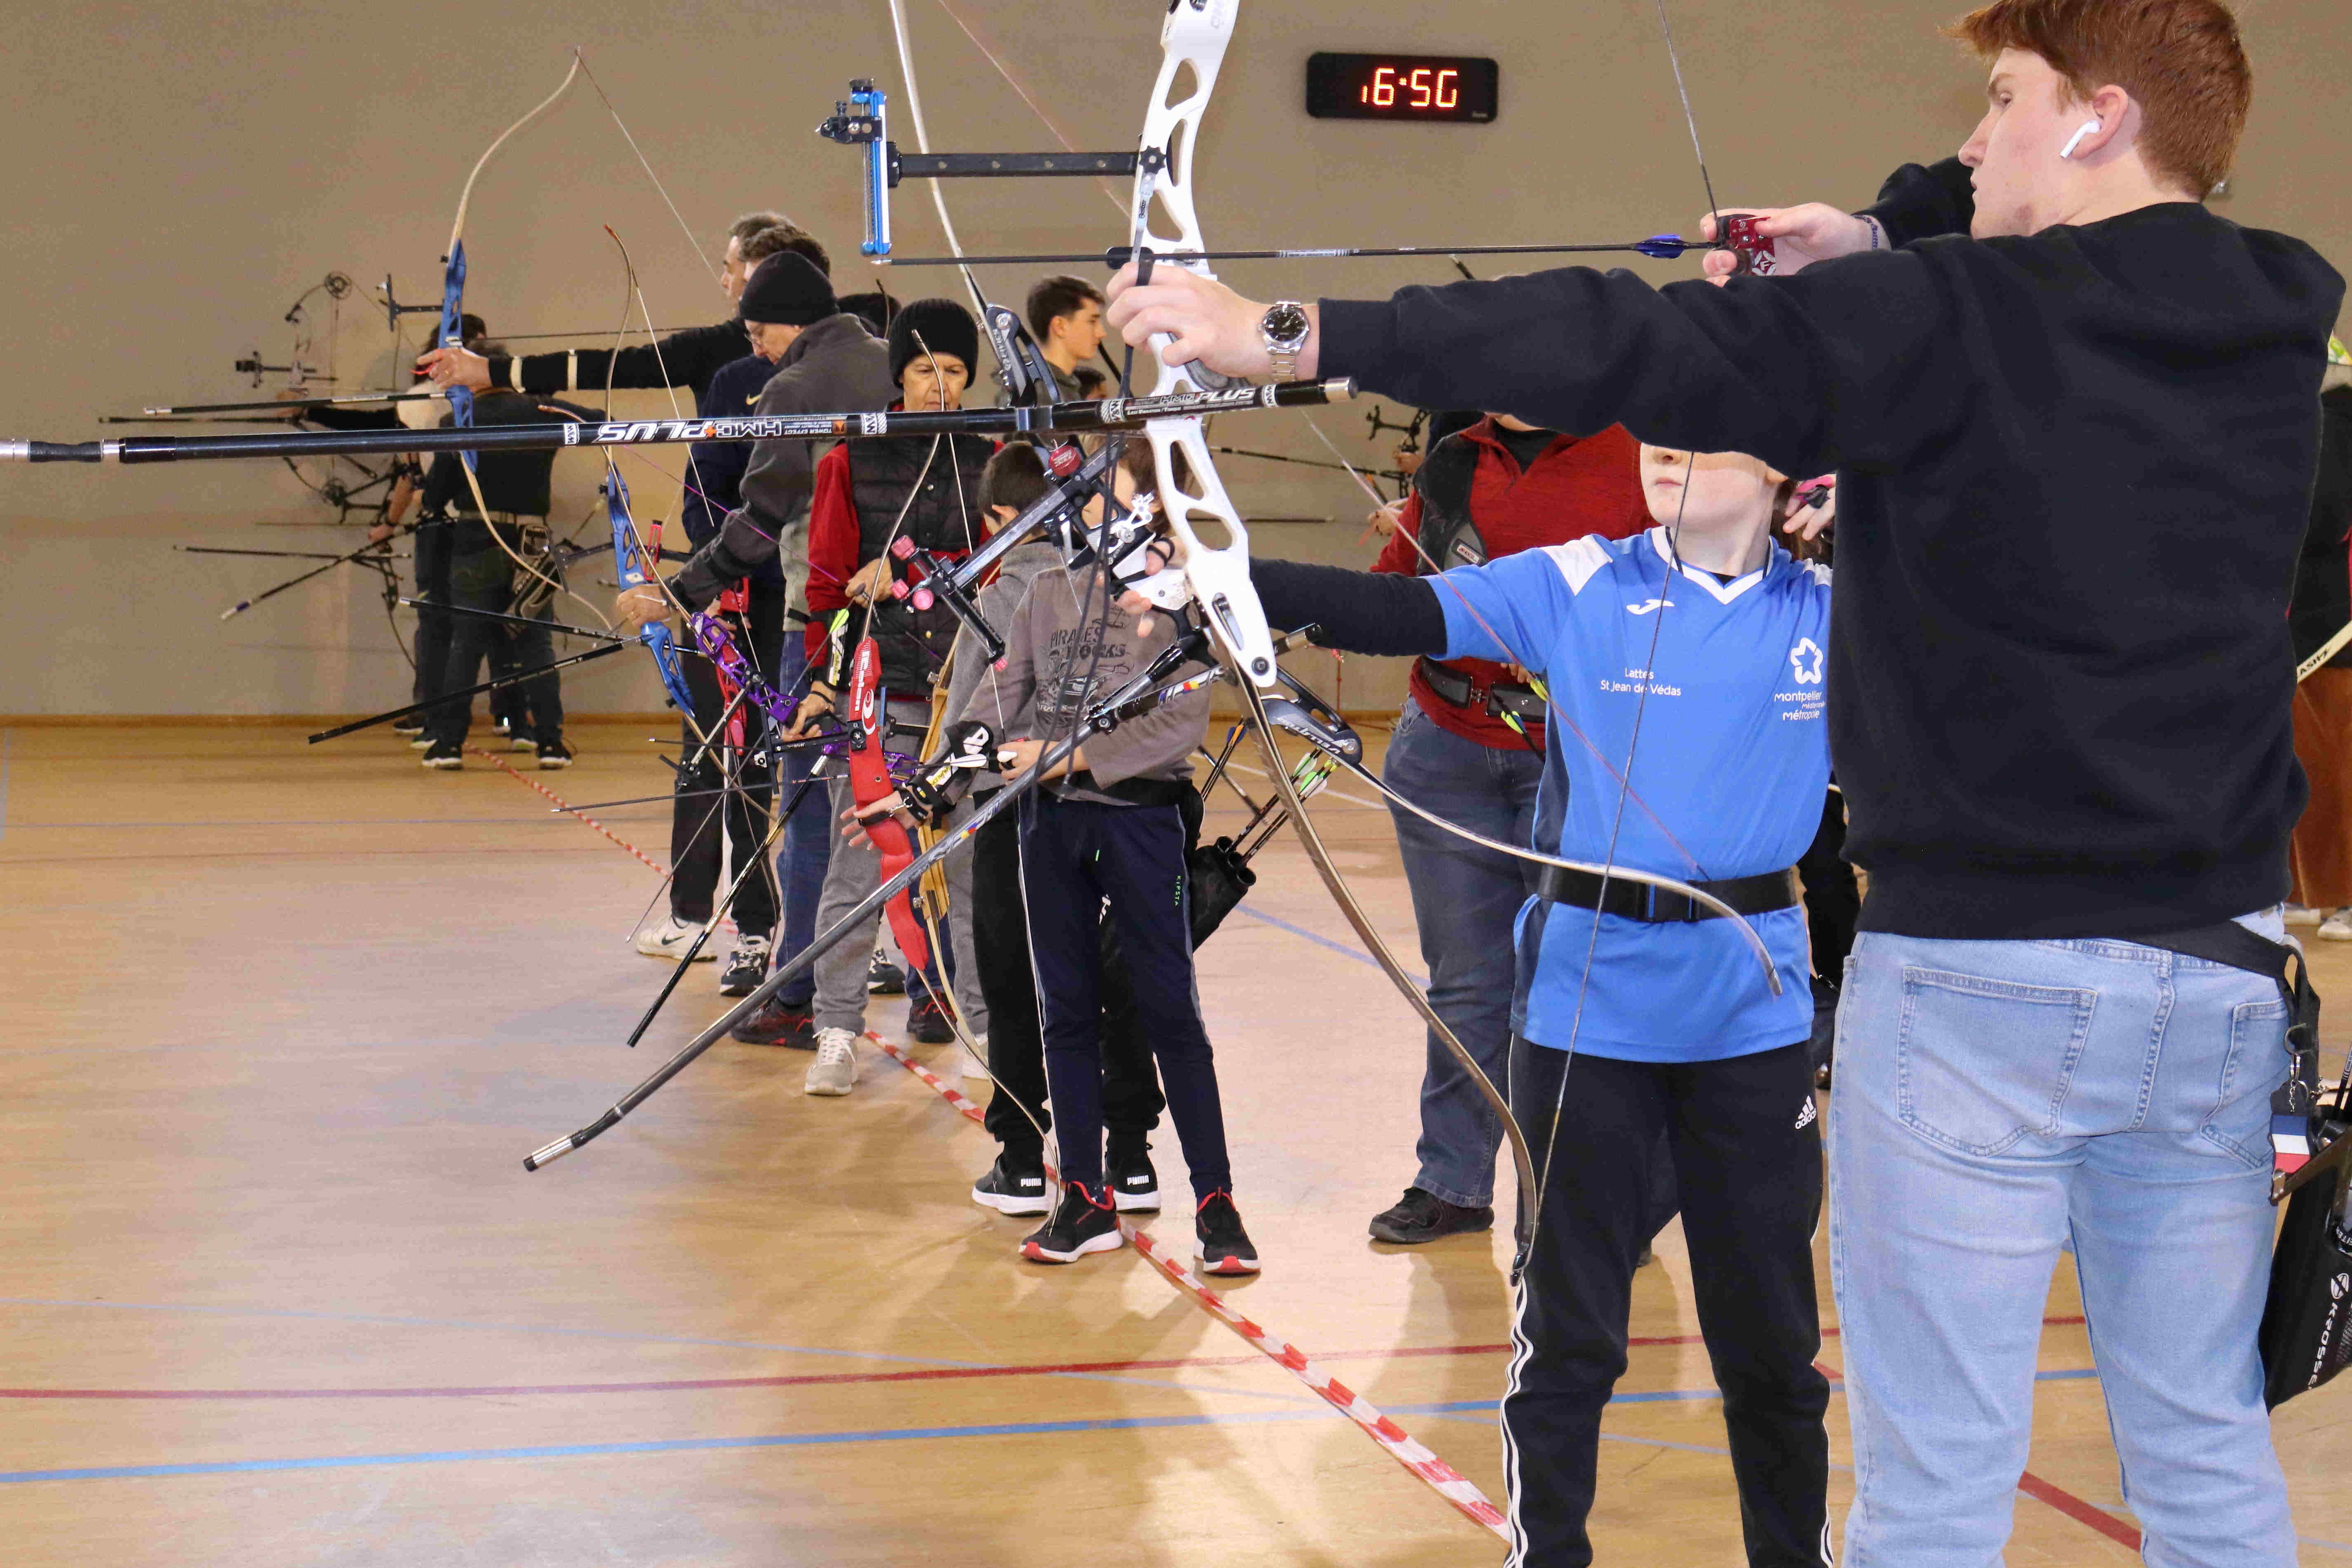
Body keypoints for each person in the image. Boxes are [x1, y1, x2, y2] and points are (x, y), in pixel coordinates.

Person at [1105, 0, 2340, 1558]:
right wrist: (1876, 229)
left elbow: (1630, 340)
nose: (1969, 143)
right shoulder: (2269, 317)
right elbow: (2049, 257)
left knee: (1936, 1481)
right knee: (2203, 1451)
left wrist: (1284, 334)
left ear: (2092, 117)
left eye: (2000, 101)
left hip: (1978, 984)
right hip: (2213, 977)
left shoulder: (1948, 315)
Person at [1135, 441, 1833, 1554]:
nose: (1666, 450)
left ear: (1783, 467)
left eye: (1704, 432)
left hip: (1752, 1017)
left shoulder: (1835, 607)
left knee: (1771, 1347)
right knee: (1568, 1332)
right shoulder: (1578, 579)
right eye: (1659, 430)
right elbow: (1397, 610)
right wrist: (1224, 574)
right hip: (1588, 1012)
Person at [941, 444, 1253, 1274]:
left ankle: (1217, 1206)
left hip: (1141, 824)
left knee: (1168, 1010)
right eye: (1083, 495)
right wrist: (937, 774)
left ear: (1156, 507)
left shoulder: (1184, 601)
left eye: (1105, 493)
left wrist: (1057, 756)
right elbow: (996, 698)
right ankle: (1083, 1196)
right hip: (1050, 827)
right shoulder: (1047, 590)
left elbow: (1177, 722)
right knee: (1066, 1012)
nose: (1085, 507)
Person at [1359, 414, 1652, 1246]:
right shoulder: (1455, 457)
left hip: (1579, 752)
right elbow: (1395, 588)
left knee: (1576, 982)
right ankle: (1451, 1180)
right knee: (1465, 979)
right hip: (1444, 745)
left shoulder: (1641, 457)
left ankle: (1581, 1200)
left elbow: (1675, 606)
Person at [613, 252, 897, 1046]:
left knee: (809, 815)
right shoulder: (893, 362)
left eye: (759, 330)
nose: (756, 347)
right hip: (915, 622)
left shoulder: (793, 386)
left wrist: (680, 592)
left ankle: (798, 995)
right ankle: (930, 994)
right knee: (903, 802)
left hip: (822, 623)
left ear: (790, 323)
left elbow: (761, 521)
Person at [947, 442, 1174, 1217]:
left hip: (1072, 812)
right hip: (1080, 810)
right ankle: (1087, 1156)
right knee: (1082, 976)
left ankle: (1065, 1157)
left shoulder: (1160, 600)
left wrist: (944, 784)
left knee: (1055, 982)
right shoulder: (1083, 590)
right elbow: (993, 703)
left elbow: (975, 719)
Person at [777, 299, 995, 1094]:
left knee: (968, 868)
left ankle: (984, 1025)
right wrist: (825, 684)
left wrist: (908, 568)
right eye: (925, 370)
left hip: (962, 700)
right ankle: (837, 1028)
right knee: (858, 863)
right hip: (879, 697)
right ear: (899, 376)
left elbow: (1001, 564)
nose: (941, 386)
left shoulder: (990, 458)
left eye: (956, 372)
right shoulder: (849, 460)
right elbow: (826, 588)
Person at [634, 242, 835, 984]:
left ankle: (797, 927)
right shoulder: (738, 380)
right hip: (733, 594)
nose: (754, 338)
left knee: (803, 763)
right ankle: (709, 918)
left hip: (812, 607)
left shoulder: (852, 374)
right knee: (715, 754)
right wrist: (709, 579)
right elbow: (706, 489)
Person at [416, 212, 808, 404]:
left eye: (730, 269)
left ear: (760, 273)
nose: (724, 280)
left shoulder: (832, 340)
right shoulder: (712, 349)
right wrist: (489, 370)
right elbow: (608, 367)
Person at [415, 371, 601, 769]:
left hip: (475, 540)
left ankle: (448, 746)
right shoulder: (541, 411)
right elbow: (601, 422)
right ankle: (550, 744)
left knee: (466, 646)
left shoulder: (457, 421)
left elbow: (435, 495)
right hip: (531, 544)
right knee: (536, 647)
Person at [2286, 337, 2352, 937]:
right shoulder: (2318, 421)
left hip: (2332, 620)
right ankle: (2313, 887)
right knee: (2309, 756)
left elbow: (2322, 518)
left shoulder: (2335, 422)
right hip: (2312, 616)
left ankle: (2343, 893)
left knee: (2333, 759)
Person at [1021, 275, 1107, 400]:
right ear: (1060, 327)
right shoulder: (1039, 394)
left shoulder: (1051, 388)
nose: (1102, 333)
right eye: (1092, 321)